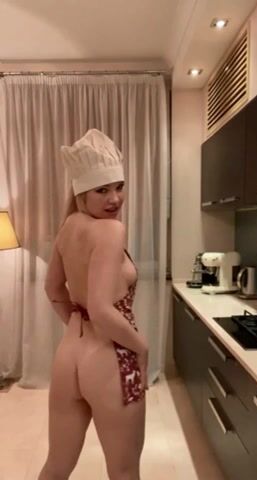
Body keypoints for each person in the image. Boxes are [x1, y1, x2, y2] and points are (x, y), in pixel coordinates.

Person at [41, 129, 147, 480]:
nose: (115, 198)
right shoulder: (111, 231)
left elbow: (54, 290)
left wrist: (78, 323)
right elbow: (102, 309)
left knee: (56, 467)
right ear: (82, 193)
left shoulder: (69, 226)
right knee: (124, 471)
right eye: (102, 190)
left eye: (119, 186)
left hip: (69, 354)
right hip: (112, 357)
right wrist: (142, 348)